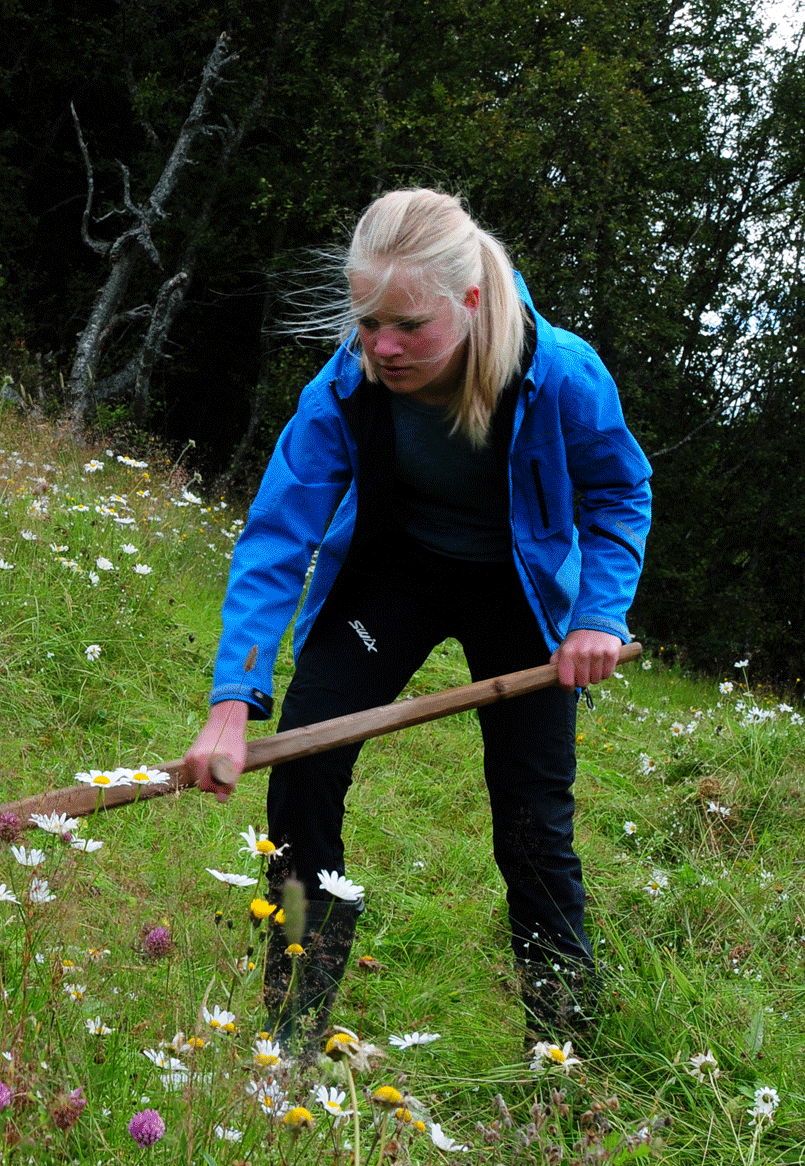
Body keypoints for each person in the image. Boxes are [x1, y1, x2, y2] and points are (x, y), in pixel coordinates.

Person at [183, 187, 652, 1052]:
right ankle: (288, 1036)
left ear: (468, 302)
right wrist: (232, 701)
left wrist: (597, 616)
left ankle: (564, 1056)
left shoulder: (563, 375)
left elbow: (621, 492)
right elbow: (280, 534)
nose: (382, 347)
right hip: (394, 573)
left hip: (521, 592)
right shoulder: (346, 384)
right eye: (367, 321)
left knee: (532, 819)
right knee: (306, 765)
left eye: (407, 326)